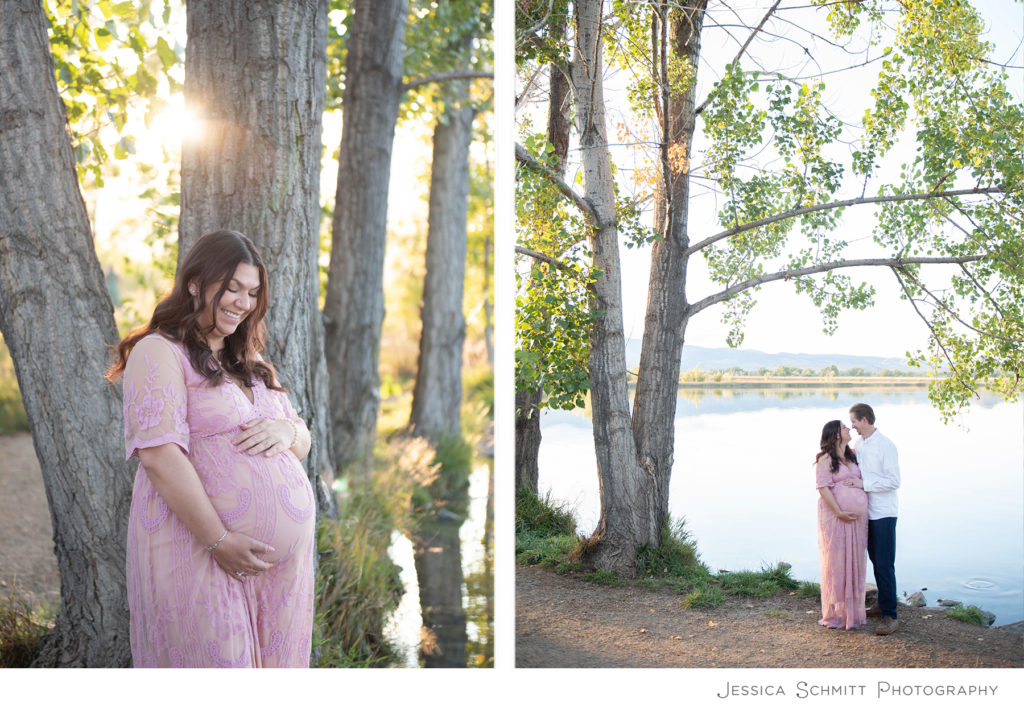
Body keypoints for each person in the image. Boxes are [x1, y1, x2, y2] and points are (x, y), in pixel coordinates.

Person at [106, 230, 315, 667]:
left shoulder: (251, 365)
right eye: (233, 286)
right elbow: (159, 455)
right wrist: (219, 541)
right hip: (199, 550)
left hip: (277, 573)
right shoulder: (161, 352)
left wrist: (286, 431)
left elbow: (301, 440)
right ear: (195, 283)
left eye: (253, 292)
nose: (243, 301)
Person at [849, 402, 901, 635]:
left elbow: (894, 481)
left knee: (884, 563)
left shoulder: (886, 446)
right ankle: (881, 603)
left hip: (884, 512)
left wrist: (865, 485)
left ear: (865, 421)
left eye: (854, 422)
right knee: (874, 560)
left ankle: (891, 615)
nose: (853, 427)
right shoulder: (859, 444)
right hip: (866, 512)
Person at [814, 420, 868, 630]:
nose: (849, 429)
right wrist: (839, 512)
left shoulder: (853, 455)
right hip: (836, 518)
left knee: (854, 561)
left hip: (857, 522)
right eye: (844, 427)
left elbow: (867, 479)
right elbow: (823, 488)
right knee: (836, 562)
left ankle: (852, 613)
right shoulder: (825, 460)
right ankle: (836, 612)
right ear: (836, 434)